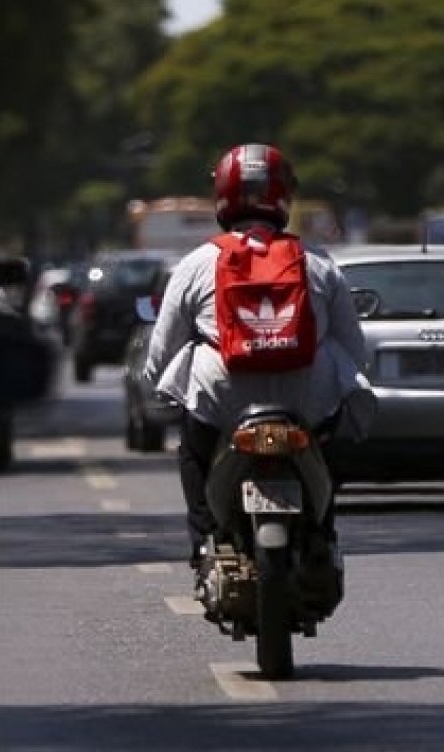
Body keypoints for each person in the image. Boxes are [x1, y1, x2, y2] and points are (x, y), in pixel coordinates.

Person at [142, 143, 376, 571]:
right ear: (285, 196)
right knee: (334, 442)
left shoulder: (196, 264)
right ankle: (323, 535)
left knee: (192, 452)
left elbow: (162, 352)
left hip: (222, 401)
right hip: (308, 402)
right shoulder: (319, 263)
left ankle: (204, 540)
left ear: (224, 196)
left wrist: (158, 385)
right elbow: (355, 352)